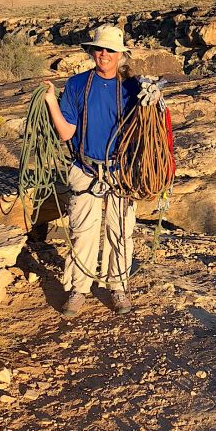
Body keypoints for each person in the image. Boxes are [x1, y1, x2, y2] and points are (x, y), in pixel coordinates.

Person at [43, 24, 140, 319]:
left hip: (121, 171)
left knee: (120, 231)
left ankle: (118, 286)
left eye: (110, 50)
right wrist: (49, 100)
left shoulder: (133, 88)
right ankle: (78, 289)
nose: (104, 55)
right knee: (82, 231)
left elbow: (146, 131)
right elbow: (66, 132)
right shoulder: (76, 85)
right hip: (85, 168)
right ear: (91, 51)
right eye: (99, 49)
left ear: (120, 54)